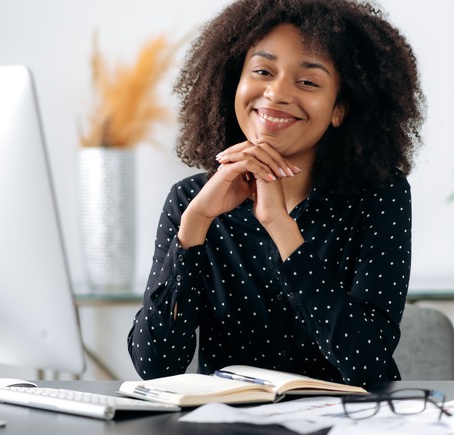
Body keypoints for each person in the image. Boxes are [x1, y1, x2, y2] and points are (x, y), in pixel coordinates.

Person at [127, 0, 424, 389]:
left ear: (339, 109)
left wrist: (280, 227)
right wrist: (195, 225)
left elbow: (370, 367)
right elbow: (155, 367)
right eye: (263, 71)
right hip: (226, 429)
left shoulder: (379, 197)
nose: (276, 93)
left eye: (308, 82)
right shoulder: (192, 201)